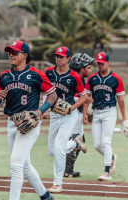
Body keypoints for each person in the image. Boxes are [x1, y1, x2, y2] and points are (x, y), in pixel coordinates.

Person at [0, 41, 57, 200]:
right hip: (12, 122)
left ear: (25, 55)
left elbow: (53, 95)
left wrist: (40, 111)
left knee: (16, 164)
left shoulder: (36, 74)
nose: (11, 54)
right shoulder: (4, 76)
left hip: (30, 123)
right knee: (25, 166)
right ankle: (46, 196)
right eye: (10, 52)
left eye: (15, 52)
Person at [44, 47, 87, 193]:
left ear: (68, 58)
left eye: (61, 56)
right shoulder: (49, 72)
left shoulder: (74, 76)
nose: (58, 58)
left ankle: (57, 184)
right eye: (57, 56)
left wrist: (72, 107)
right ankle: (75, 144)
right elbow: (45, 90)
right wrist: (43, 109)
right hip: (55, 114)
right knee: (52, 150)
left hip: (69, 115)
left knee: (59, 147)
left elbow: (84, 96)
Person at [83, 52, 128, 181]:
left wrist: (124, 117)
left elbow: (120, 99)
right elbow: (86, 98)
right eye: (98, 63)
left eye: (102, 63)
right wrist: (84, 113)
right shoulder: (92, 79)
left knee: (106, 141)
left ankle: (107, 171)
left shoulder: (116, 78)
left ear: (108, 62)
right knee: (97, 145)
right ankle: (112, 158)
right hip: (96, 112)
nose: (100, 65)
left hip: (110, 111)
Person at [64, 53, 94, 178]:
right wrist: (85, 100)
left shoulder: (80, 80)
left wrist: (86, 110)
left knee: (78, 140)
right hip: (73, 113)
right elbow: (72, 96)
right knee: (75, 140)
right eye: (88, 67)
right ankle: (67, 170)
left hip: (77, 113)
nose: (90, 70)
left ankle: (68, 170)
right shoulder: (73, 79)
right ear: (81, 68)